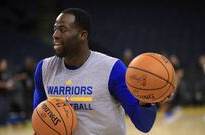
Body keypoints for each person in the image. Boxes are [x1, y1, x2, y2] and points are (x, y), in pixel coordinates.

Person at [33, 8, 173, 134]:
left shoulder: (112, 69)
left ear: (83, 35)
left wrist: (145, 102)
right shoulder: (44, 69)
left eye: (63, 29)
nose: (55, 35)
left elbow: (144, 124)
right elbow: (39, 119)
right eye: (55, 29)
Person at [0, 58, 14, 126]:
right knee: (0, 112)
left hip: (6, 95)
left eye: (5, 64)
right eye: (3, 64)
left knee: (6, 112)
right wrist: (5, 85)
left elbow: (11, 84)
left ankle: (4, 125)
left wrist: (10, 86)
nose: (4, 65)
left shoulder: (8, 73)